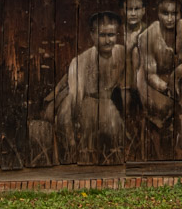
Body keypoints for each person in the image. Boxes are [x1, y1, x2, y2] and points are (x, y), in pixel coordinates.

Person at [50, 11, 126, 164]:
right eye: (102, 35)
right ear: (92, 35)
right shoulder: (80, 62)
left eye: (111, 35)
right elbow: (76, 98)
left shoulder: (122, 53)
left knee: (114, 124)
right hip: (87, 104)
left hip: (108, 102)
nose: (107, 40)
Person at [136, 0, 182, 128]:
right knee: (162, 113)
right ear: (158, 14)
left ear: (180, 14)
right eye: (165, 13)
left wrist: (175, 76)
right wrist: (165, 88)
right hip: (154, 80)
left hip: (177, 76)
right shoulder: (146, 37)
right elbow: (150, 74)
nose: (170, 19)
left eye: (174, 13)